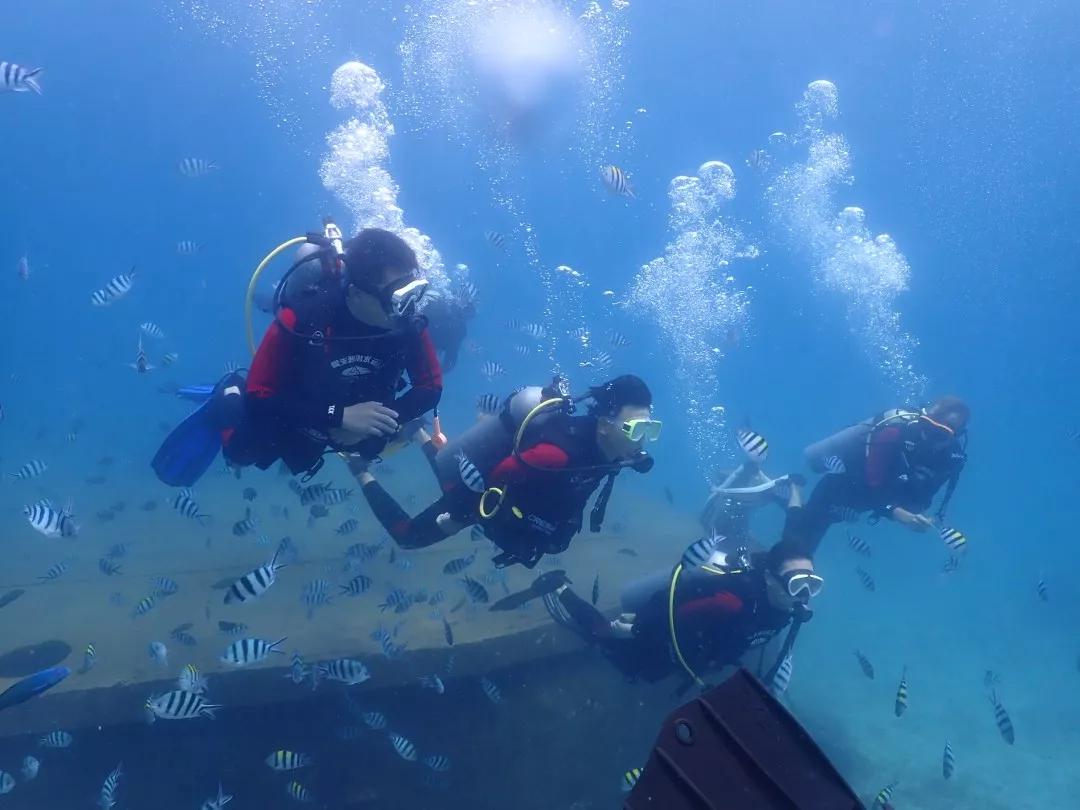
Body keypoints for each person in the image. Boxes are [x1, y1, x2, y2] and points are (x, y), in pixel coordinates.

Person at [152, 228, 443, 486]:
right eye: (395, 298)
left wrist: (378, 421)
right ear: (355, 293)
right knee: (242, 453)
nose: (407, 309)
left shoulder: (407, 323)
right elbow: (259, 394)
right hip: (296, 406)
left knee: (366, 447)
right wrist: (340, 416)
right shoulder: (303, 318)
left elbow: (430, 388)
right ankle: (226, 392)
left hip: (353, 414)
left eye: (412, 293)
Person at [350, 374, 659, 568]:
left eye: (650, 428)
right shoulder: (556, 455)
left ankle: (417, 429)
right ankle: (360, 468)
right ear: (604, 425)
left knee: (450, 469)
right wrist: (478, 518)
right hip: (479, 496)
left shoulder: (609, 452)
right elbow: (496, 477)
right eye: (636, 429)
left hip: (498, 487)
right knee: (409, 536)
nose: (642, 439)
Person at [544, 537, 822, 685]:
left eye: (812, 583)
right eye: (797, 583)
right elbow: (674, 608)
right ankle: (558, 590)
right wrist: (638, 628)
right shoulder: (732, 600)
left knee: (644, 675)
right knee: (612, 648)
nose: (805, 594)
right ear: (770, 578)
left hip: (696, 653)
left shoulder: (787, 610)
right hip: (665, 638)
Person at [782, 396, 969, 555]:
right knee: (802, 542)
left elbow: (922, 499)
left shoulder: (951, 457)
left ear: (957, 435)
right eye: (931, 426)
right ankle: (791, 490)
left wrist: (917, 516)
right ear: (925, 417)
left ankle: (785, 495)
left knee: (821, 521)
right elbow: (873, 479)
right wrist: (897, 512)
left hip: (873, 502)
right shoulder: (894, 430)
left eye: (944, 433)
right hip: (843, 485)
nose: (934, 435)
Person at [421, 283, 477, 373]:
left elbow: (451, 355)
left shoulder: (460, 330)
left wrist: (440, 371)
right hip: (423, 342)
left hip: (424, 343)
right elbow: (451, 357)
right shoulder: (441, 308)